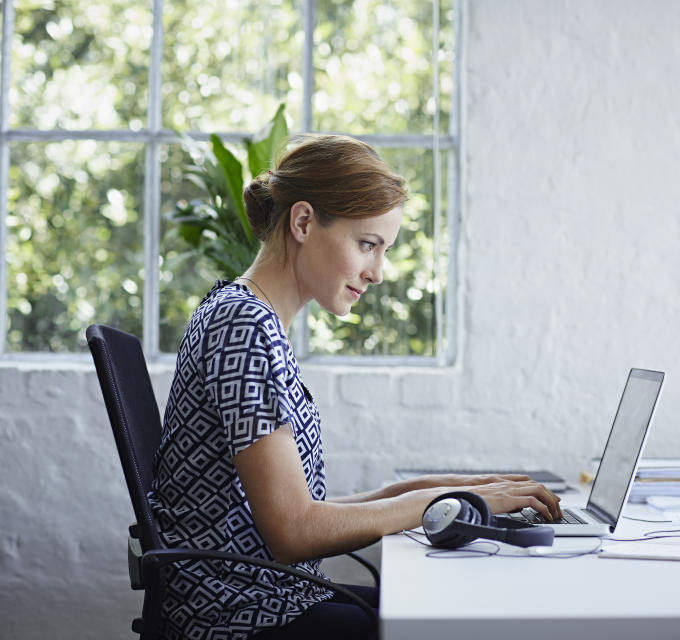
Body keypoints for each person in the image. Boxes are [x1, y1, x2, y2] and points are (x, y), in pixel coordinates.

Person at [149, 134, 562, 640]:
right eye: (368, 244)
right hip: (244, 617)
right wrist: (453, 498)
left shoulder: (248, 317)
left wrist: (462, 490)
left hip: (273, 597)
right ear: (303, 222)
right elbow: (294, 532)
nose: (379, 272)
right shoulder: (244, 326)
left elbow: (303, 512)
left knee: (461, 609)